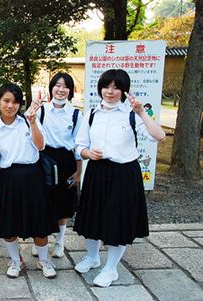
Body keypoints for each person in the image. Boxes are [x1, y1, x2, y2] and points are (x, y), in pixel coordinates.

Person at [73, 69, 166, 287]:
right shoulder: (92, 114)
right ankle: (93, 257)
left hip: (124, 173)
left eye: (116, 87)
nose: (110, 91)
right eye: (106, 86)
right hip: (96, 171)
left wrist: (142, 113)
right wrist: (88, 154)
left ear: (124, 90)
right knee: (91, 217)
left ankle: (111, 268)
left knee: (117, 221)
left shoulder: (131, 114)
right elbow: (79, 145)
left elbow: (159, 136)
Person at [0, 83, 59, 279]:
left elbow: (41, 145)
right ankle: (16, 260)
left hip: (33, 178)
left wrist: (34, 122)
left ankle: (43, 260)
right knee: (9, 225)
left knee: (40, 225)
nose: (11, 106)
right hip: (8, 180)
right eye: (6, 101)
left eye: (15, 102)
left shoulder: (28, 121)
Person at [31, 72, 82, 259]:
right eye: (57, 85)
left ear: (70, 91)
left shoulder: (76, 114)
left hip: (66, 161)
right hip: (44, 159)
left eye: (65, 86)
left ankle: (60, 242)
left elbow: (78, 145)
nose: (61, 90)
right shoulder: (42, 110)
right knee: (43, 201)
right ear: (51, 88)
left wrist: (78, 172)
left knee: (64, 204)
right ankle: (40, 239)